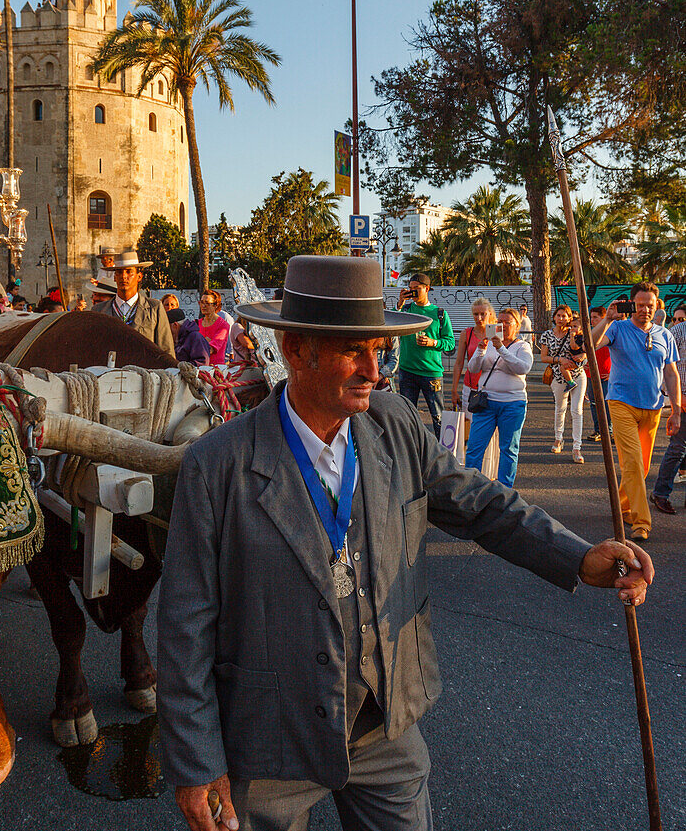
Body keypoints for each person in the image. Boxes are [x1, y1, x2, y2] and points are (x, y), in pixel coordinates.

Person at [157, 255, 652, 831]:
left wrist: (577, 554)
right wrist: (196, 763)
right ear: (295, 350)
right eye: (353, 351)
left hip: (383, 726)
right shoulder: (217, 465)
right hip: (270, 742)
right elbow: (186, 621)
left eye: (379, 349)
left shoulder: (393, 423)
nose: (375, 369)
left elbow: (483, 505)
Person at [592, 282, 681, 541]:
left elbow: (671, 373)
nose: (644, 310)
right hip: (621, 403)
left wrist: (675, 410)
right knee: (631, 462)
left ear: (657, 306)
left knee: (640, 467)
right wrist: (607, 319)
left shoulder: (665, 335)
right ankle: (641, 522)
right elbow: (592, 344)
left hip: (652, 408)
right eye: (640, 305)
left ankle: (622, 506)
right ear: (631, 304)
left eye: (649, 306)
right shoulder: (618, 328)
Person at [465, 308, 534, 487]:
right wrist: (480, 350)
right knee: (474, 448)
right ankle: (472, 487)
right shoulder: (488, 344)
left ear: (517, 326)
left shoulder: (522, 346)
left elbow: (523, 368)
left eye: (507, 322)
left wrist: (501, 348)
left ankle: (505, 489)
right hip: (486, 402)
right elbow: (472, 368)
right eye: (499, 321)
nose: (502, 325)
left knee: (509, 449)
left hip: (512, 403)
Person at [396, 273, 454, 438]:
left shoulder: (440, 313)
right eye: (411, 289)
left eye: (417, 289)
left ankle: (442, 452)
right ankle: (411, 449)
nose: (413, 292)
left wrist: (433, 343)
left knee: (438, 416)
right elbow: (390, 324)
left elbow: (450, 343)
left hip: (431, 373)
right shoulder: (406, 310)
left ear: (427, 289)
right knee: (407, 415)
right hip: (407, 371)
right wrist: (400, 304)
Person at [92, 248, 175, 357]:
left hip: (146, 372)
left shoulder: (154, 308)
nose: (124, 276)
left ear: (139, 276)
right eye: (119, 272)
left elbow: (166, 352)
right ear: (114, 277)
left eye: (129, 271)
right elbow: (93, 351)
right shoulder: (98, 311)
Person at [649, 300, 686, 514]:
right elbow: (666, 368)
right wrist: (678, 400)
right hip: (683, 399)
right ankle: (660, 494)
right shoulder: (677, 332)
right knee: (678, 449)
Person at [539, 305, 587, 462]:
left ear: (569, 318)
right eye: (558, 315)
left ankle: (577, 448)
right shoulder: (547, 335)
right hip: (558, 376)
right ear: (554, 317)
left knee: (577, 410)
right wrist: (560, 359)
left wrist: (582, 356)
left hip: (578, 375)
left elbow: (585, 349)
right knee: (560, 409)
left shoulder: (575, 332)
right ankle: (558, 439)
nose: (561, 319)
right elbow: (543, 357)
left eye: (564, 316)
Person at [451, 297, 495, 415]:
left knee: (491, 427)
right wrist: (454, 390)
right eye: (476, 314)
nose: (479, 318)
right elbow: (459, 363)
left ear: (490, 314)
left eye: (483, 314)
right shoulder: (467, 333)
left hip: (491, 387)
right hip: (470, 387)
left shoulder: (495, 331)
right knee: (470, 425)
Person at [585, 306, 612, 442]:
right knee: (594, 403)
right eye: (591, 317)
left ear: (603, 318)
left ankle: (610, 431)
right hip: (591, 375)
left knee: (608, 404)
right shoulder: (590, 334)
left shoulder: (611, 333)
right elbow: (584, 351)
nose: (592, 320)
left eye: (595, 317)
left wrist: (613, 372)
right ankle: (598, 430)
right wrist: (583, 364)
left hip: (607, 375)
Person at [198, 289, 231, 365]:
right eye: (202, 302)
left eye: (207, 303)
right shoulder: (197, 323)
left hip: (216, 369)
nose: (203, 306)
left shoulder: (223, 325)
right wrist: (205, 342)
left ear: (215, 305)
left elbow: (210, 349)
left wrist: (198, 343)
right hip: (199, 368)